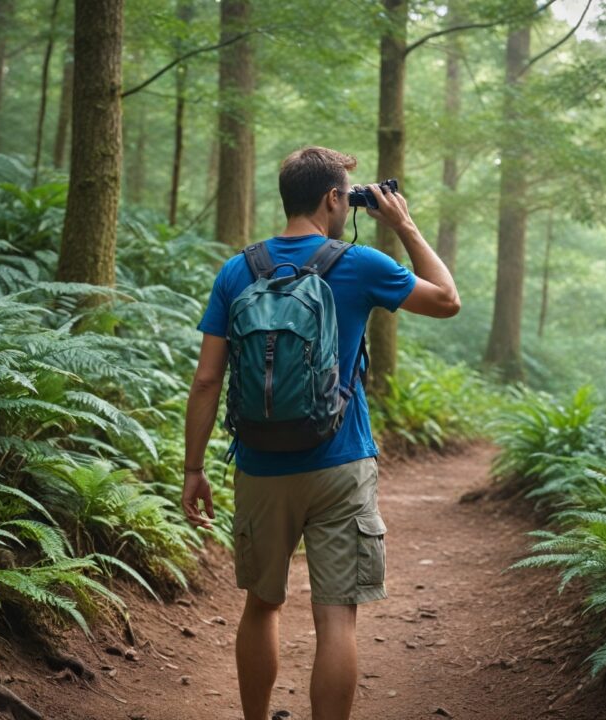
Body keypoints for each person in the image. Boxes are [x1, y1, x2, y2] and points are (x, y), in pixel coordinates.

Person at [182, 146, 460, 720]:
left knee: (261, 605)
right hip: (341, 462)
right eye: (345, 195)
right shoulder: (359, 265)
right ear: (336, 198)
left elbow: (208, 381)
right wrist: (404, 224)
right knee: (337, 616)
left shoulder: (239, 271)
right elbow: (447, 300)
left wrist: (193, 469)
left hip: (260, 465)